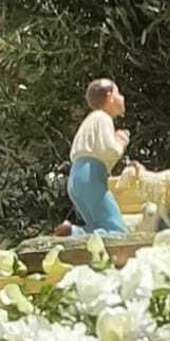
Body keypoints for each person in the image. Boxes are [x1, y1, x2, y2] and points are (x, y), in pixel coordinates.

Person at [67, 79, 130, 237]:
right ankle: (72, 232)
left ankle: (73, 233)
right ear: (109, 96)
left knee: (98, 227)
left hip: (77, 176)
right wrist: (121, 142)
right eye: (118, 93)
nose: (122, 98)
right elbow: (110, 150)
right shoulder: (103, 118)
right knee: (116, 230)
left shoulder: (93, 120)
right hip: (91, 174)